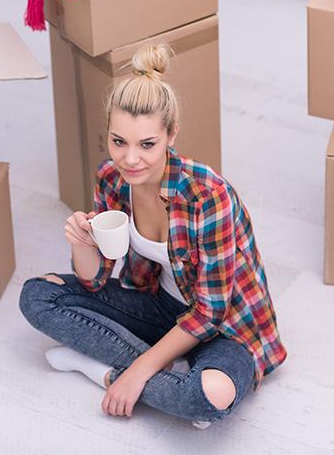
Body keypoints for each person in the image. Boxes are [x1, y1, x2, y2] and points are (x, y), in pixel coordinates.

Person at [18, 43, 287, 427]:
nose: (130, 159)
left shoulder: (208, 196)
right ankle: (165, 368)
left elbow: (210, 312)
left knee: (209, 397)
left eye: (147, 144)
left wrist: (136, 371)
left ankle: (102, 371)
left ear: (171, 134)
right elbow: (94, 280)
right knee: (38, 296)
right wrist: (81, 243)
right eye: (118, 142)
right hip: (159, 306)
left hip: (224, 327)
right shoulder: (111, 178)